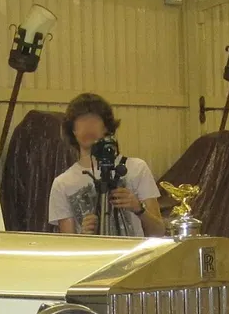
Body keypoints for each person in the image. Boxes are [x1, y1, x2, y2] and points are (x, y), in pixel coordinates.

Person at [48, 93, 163, 237]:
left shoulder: (137, 168)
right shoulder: (62, 184)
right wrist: (83, 235)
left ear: (106, 127)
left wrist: (139, 209)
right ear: (73, 130)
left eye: (95, 120)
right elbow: (68, 248)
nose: (88, 126)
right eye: (81, 120)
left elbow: (159, 232)